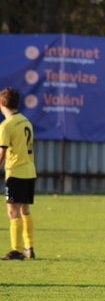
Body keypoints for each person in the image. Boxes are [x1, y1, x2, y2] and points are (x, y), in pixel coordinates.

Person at [0, 87, 36, 261]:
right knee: (25, 210)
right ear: (19, 103)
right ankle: (29, 247)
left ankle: (16, 250)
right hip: (29, 171)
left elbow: (2, 153)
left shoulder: (6, 126)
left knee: (13, 213)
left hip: (15, 172)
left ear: (1, 104)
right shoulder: (26, 121)